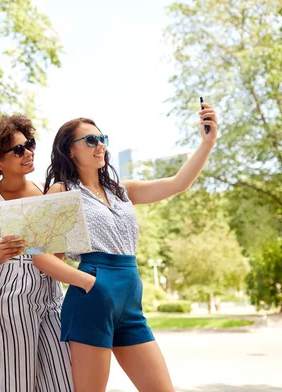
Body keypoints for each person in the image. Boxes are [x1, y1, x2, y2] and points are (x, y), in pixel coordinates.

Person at [33, 103, 218, 392]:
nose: (100, 146)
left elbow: (178, 183)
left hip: (130, 300)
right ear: (71, 150)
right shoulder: (62, 191)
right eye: (91, 140)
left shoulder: (121, 190)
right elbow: (41, 256)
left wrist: (207, 143)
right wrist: (90, 282)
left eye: (102, 139)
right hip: (92, 295)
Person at [0, 114, 74, 392]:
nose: (27, 152)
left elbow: (55, 254)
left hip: (52, 293)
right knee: (15, 384)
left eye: (29, 144)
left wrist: (65, 235)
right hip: (10, 298)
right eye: (18, 149)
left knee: (63, 382)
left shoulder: (45, 191)